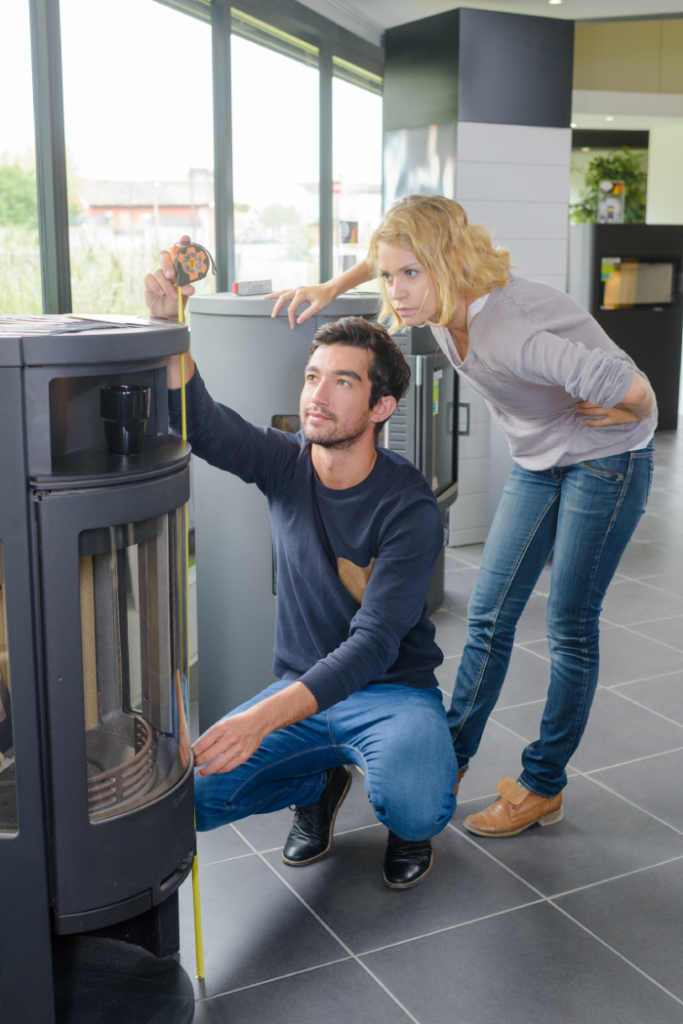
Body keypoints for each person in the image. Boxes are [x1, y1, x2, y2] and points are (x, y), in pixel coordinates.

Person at [269, 194, 657, 838]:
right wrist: (335, 283)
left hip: (607, 460)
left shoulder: (509, 327)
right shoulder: (439, 298)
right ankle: (448, 757)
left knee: (568, 624)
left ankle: (542, 784)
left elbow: (629, 381)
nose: (397, 291)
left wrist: (633, 408)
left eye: (409, 275)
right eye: (391, 275)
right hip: (541, 458)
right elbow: (389, 261)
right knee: (490, 613)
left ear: (445, 263)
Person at [144, 248, 458, 888]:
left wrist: (258, 716)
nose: (317, 393)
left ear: (381, 408)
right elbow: (204, 426)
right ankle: (316, 784)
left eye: (343, 381)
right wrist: (167, 327)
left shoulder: (410, 507)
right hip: (305, 690)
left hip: (391, 690)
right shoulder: (285, 462)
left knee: (418, 803)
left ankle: (401, 806)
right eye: (314, 376)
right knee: (192, 799)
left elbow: (373, 646)